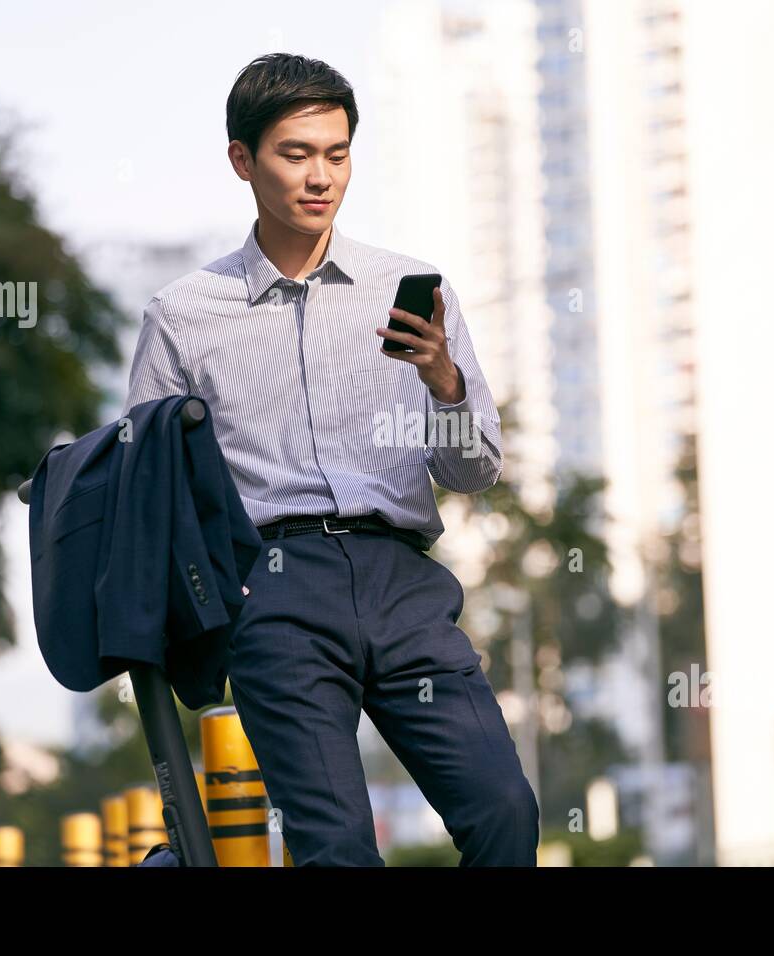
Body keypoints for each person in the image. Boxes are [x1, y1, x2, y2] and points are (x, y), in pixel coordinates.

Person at [123, 52, 539, 866]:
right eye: (296, 153)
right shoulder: (181, 317)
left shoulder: (410, 288)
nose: (322, 177)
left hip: (403, 584)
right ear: (242, 160)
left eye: (338, 153)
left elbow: (472, 472)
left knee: (504, 810)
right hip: (275, 591)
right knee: (336, 847)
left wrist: (445, 382)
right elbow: (154, 496)